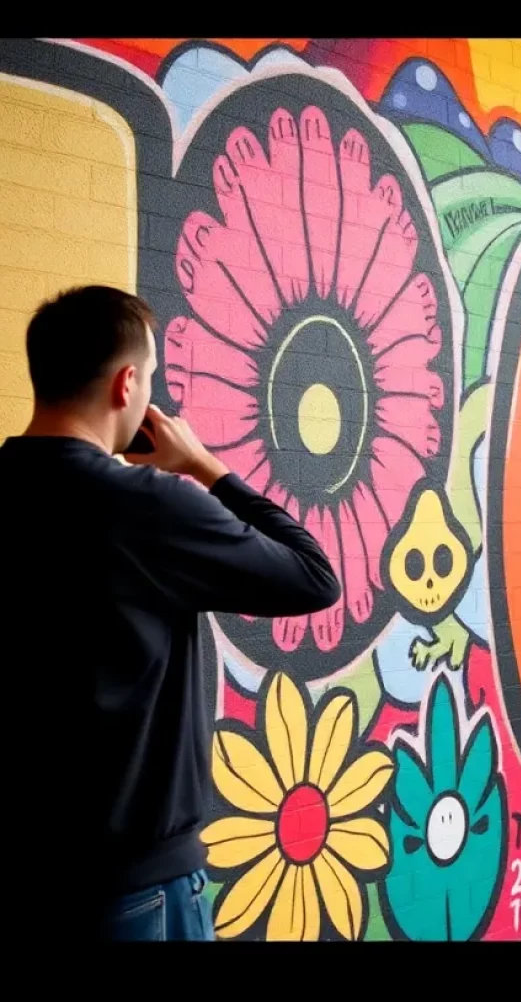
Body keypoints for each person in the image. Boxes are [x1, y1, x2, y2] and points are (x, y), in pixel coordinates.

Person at [0, 286, 341, 941]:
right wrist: (204, 467)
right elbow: (313, 576)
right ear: (128, 384)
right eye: (151, 374)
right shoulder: (147, 505)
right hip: (133, 891)